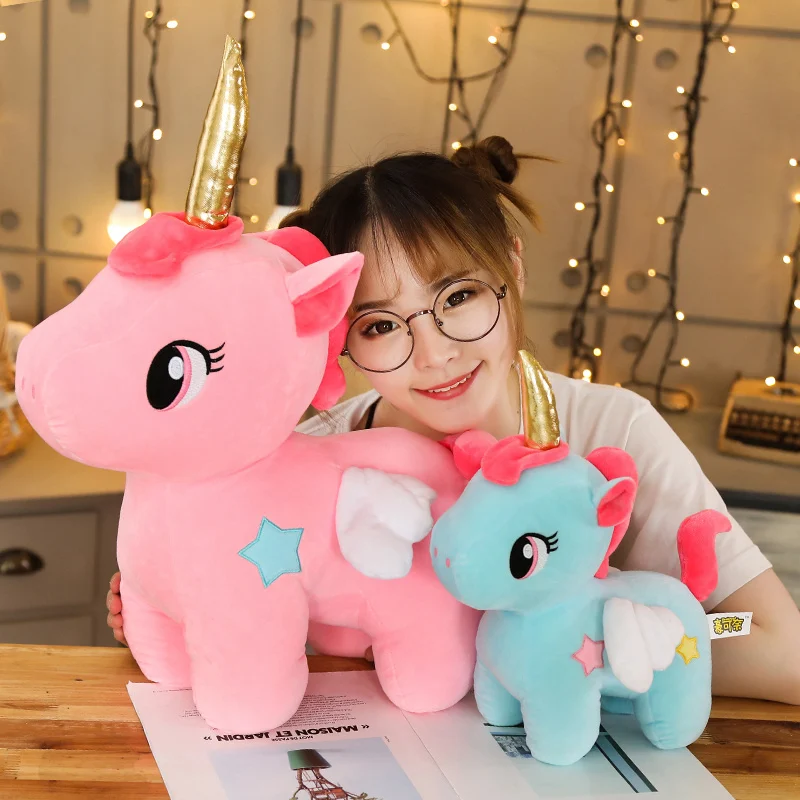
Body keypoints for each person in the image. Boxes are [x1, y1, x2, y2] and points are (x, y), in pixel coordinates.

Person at [107, 137, 800, 704]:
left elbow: (764, 635)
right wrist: (176, 595)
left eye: (459, 296)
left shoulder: (613, 432)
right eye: (380, 325)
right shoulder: (313, 460)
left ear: (512, 269)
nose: (435, 353)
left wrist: (627, 633)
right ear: (337, 336)